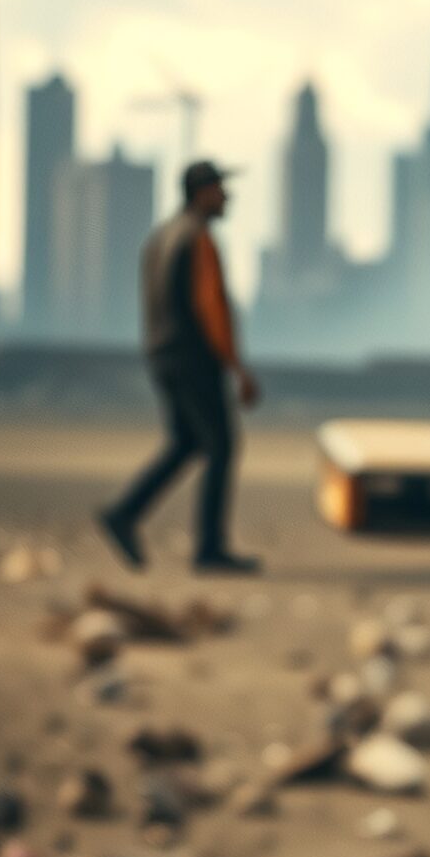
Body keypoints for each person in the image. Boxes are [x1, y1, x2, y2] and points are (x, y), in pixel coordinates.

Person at [98, 160, 263, 574]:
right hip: (194, 359)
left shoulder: (160, 238)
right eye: (220, 189)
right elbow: (211, 307)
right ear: (202, 192)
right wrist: (237, 367)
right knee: (222, 446)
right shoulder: (197, 238)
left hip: (161, 355)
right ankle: (209, 548)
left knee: (187, 443)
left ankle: (124, 514)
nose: (227, 197)